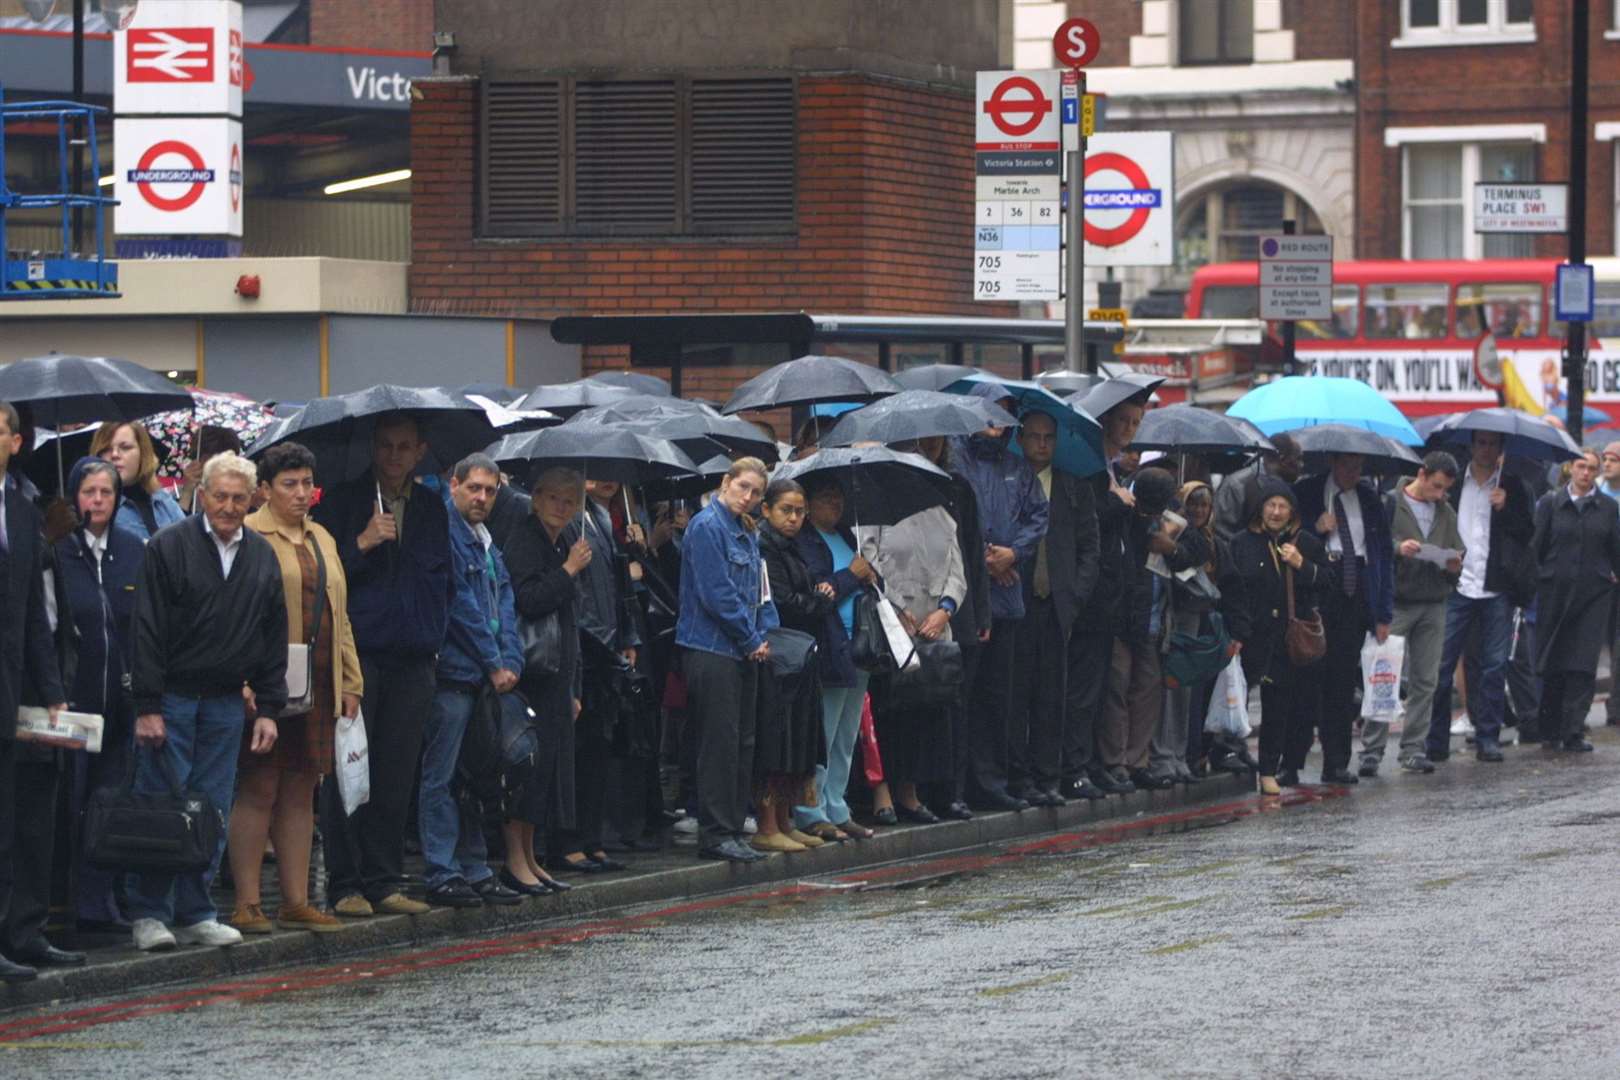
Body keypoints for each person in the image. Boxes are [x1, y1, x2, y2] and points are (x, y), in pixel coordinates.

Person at [128, 451, 288, 952]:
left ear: (252, 499)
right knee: (162, 806)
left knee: (211, 809)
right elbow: (147, 628)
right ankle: (150, 913)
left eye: (240, 498)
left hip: (224, 704)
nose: (229, 506)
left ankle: (197, 910)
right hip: (171, 699)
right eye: (220, 496)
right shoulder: (167, 546)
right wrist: (147, 704)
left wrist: (268, 708)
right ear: (202, 496)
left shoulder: (261, 555)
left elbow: (272, 635)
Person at [311, 413, 448, 919]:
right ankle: (345, 883)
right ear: (374, 448)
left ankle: (385, 879)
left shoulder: (432, 507)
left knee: (395, 775)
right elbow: (325, 578)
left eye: (404, 446)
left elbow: (442, 581)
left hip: (413, 657)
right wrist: (363, 543)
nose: (394, 455)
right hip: (359, 657)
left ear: (419, 452)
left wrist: (434, 639)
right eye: (386, 445)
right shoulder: (344, 502)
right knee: (351, 773)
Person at [226, 442, 363, 935]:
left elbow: (340, 614)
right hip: (267, 680)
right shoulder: (249, 535)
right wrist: (242, 680)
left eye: (308, 483)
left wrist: (352, 680)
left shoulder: (322, 537)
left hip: (319, 678)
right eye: (290, 484)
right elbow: (238, 616)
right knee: (259, 785)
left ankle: (296, 899)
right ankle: (246, 902)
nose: (302, 493)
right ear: (264, 489)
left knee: (303, 788)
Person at [418, 454, 525, 908]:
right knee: (440, 778)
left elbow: (505, 602)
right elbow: (460, 605)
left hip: (485, 677)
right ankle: (443, 870)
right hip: (454, 675)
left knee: (479, 777)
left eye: (490, 490)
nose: (482, 497)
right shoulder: (444, 533)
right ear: (454, 484)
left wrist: (512, 660)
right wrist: (494, 660)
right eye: (474, 488)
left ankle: (475, 867)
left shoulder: (486, 540)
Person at [51, 458, 144, 933]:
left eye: (106, 492)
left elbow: (145, 624)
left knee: (110, 802)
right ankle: (63, 902)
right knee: (71, 801)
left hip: (122, 704)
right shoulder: (59, 551)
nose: (98, 501)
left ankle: (101, 898)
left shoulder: (133, 549)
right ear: (75, 497)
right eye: (89, 492)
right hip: (73, 701)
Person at [950, 383, 1048, 811]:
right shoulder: (956, 459)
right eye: (991, 412)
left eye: (1004, 414)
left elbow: (1037, 516)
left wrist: (1014, 553)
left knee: (997, 697)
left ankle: (992, 781)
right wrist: (987, 556)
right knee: (961, 693)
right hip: (966, 597)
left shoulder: (1017, 467)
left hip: (1007, 598)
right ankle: (957, 787)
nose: (996, 423)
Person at [676, 457, 778, 863]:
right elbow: (716, 594)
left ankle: (733, 828)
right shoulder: (707, 527)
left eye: (756, 493)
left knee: (741, 744)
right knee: (718, 744)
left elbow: (758, 590)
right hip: (712, 648)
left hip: (743, 649)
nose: (748, 498)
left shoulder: (745, 530)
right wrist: (752, 637)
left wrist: (765, 635)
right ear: (726, 482)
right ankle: (716, 833)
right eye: (743, 488)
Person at [0, 402, 70, 982]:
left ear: (15, 442)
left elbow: (31, 619)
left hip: (16, 686)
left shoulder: (22, 512)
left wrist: (53, 692)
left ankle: (23, 935)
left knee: (26, 817)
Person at [501, 467, 590, 896]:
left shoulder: (560, 543)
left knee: (546, 771)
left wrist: (574, 686)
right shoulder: (525, 538)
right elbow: (529, 600)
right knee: (527, 768)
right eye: (554, 498)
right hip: (531, 673)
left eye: (569, 501)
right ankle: (514, 859)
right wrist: (569, 570)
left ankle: (531, 856)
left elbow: (571, 622)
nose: (562, 507)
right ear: (535, 498)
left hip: (556, 675)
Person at [855, 472, 960, 828]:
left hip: (934, 626)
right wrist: (898, 609)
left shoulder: (942, 513)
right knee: (890, 710)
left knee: (924, 712)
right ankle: (881, 792)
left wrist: (945, 608)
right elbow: (868, 561)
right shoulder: (875, 511)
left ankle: (910, 792)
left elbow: (956, 569)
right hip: (892, 624)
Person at [548, 477, 641, 875]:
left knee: (599, 749)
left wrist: (627, 635)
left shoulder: (601, 517)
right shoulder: (570, 521)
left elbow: (619, 584)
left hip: (608, 645)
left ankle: (592, 837)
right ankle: (567, 841)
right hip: (581, 644)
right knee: (577, 749)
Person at [1426, 431, 1536, 765]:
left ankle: (1488, 736)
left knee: (1493, 666)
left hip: (1495, 588)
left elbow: (1527, 532)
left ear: (1501, 449)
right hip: (1456, 586)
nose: (1486, 449)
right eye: (1481, 443)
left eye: (1493, 444)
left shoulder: (1513, 486)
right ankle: (1436, 741)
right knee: (1441, 666)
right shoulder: (1455, 484)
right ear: (1472, 446)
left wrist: (1506, 507)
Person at [1008, 410, 1100, 805]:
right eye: (1034, 436)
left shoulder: (1072, 487)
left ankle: (1049, 776)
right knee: (1017, 695)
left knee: (1052, 697)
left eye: (1048, 437)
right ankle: (1019, 776)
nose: (1042, 444)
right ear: (1022, 438)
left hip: (1058, 605)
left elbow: (1089, 549)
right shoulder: (1010, 481)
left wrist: (1075, 594)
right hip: (1017, 602)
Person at [1225, 477, 1333, 795]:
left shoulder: (1306, 542)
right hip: (1248, 635)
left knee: (1277, 706)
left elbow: (1328, 580)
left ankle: (1269, 769)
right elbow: (1231, 586)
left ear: (1292, 511)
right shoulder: (1241, 542)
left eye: (1282, 506)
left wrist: (1302, 565)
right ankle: (1227, 752)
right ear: (1260, 510)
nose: (1275, 512)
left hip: (1284, 639)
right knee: (1234, 697)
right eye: (1270, 505)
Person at [1359, 452, 1463, 778]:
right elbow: (1372, 545)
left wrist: (1454, 565)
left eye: (1445, 489)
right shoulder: (1391, 502)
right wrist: (1396, 548)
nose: (1439, 495)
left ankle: (1413, 749)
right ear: (1421, 474)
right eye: (1435, 486)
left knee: (1426, 680)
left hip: (1434, 602)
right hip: (1397, 601)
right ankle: (1372, 750)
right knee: (1383, 675)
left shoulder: (1446, 511)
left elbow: (1456, 553)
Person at [1295, 452, 1394, 784]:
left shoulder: (1369, 497)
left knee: (1341, 682)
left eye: (1359, 466)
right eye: (1348, 465)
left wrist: (1383, 612)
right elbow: (1288, 534)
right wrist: (1315, 528)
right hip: (1319, 587)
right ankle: (1291, 760)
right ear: (1333, 462)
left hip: (1356, 588)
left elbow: (1382, 555)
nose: (1354, 472)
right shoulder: (1307, 491)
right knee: (1307, 681)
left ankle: (1336, 763)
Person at [790, 476, 877, 842]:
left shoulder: (847, 534)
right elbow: (817, 586)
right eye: (826, 497)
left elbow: (866, 581)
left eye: (838, 497)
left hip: (860, 645)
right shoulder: (805, 540)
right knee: (823, 733)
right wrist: (851, 576)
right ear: (808, 504)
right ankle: (811, 810)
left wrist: (868, 575)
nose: (835, 504)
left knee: (845, 734)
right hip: (828, 645)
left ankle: (837, 805)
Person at [755, 479, 832, 852]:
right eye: (786, 510)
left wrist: (816, 596)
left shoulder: (792, 547)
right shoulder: (763, 546)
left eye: (800, 511)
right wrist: (818, 600)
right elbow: (785, 601)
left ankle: (786, 820)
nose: (794, 518)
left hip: (799, 653)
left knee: (796, 741)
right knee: (776, 743)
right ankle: (768, 824)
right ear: (766, 509)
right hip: (777, 654)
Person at [1532, 449, 1620, 753]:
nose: (1586, 473)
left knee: (1582, 665)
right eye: (1581, 466)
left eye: (1592, 468)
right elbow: (1537, 547)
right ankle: (1549, 729)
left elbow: (1615, 550)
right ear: (1571, 468)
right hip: (1555, 592)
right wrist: (1542, 578)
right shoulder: (1551, 503)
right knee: (1554, 661)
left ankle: (1573, 730)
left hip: (1593, 594)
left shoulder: (1608, 508)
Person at [1099, 466, 1180, 792]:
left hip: (1151, 619)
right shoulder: (1124, 516)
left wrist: (1169, 543)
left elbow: (1197, 553)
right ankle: (1115, 761)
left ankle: (1137, 760)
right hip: (1122, 617)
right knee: (1117, 688)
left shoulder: (1170, 523)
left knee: (1146, 691)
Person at [1149, 480, 1222, 785]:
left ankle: (1178, 755)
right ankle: (1162, 756)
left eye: (1204, 505)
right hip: (1170, 617)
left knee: (1184, 690)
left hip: (1194, 621)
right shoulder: (1169, 523)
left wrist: (1176, 546)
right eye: (1192, 503)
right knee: (1165, 688)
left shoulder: (1207, 539)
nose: (1198, 510)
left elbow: (1192, 554)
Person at [91, 420, 185, 541]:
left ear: (143, 453)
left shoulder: (162, 498)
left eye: (125, 447)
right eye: (106, 449)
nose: (114, 454)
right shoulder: (97, 508)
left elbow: (189, 545)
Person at [1213, 434, 1304, 544]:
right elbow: (1220, 533)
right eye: (1298, 459)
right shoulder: (1237, 485)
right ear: (1283, 460)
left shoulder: (1289, 489)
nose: (1302, 465)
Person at [1600, 441, 1620, 728]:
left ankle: (1614, 706)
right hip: (1599, 579)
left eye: (1613, 459)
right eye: (1604, 459)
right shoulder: (1597, 494)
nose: (1606, 464)